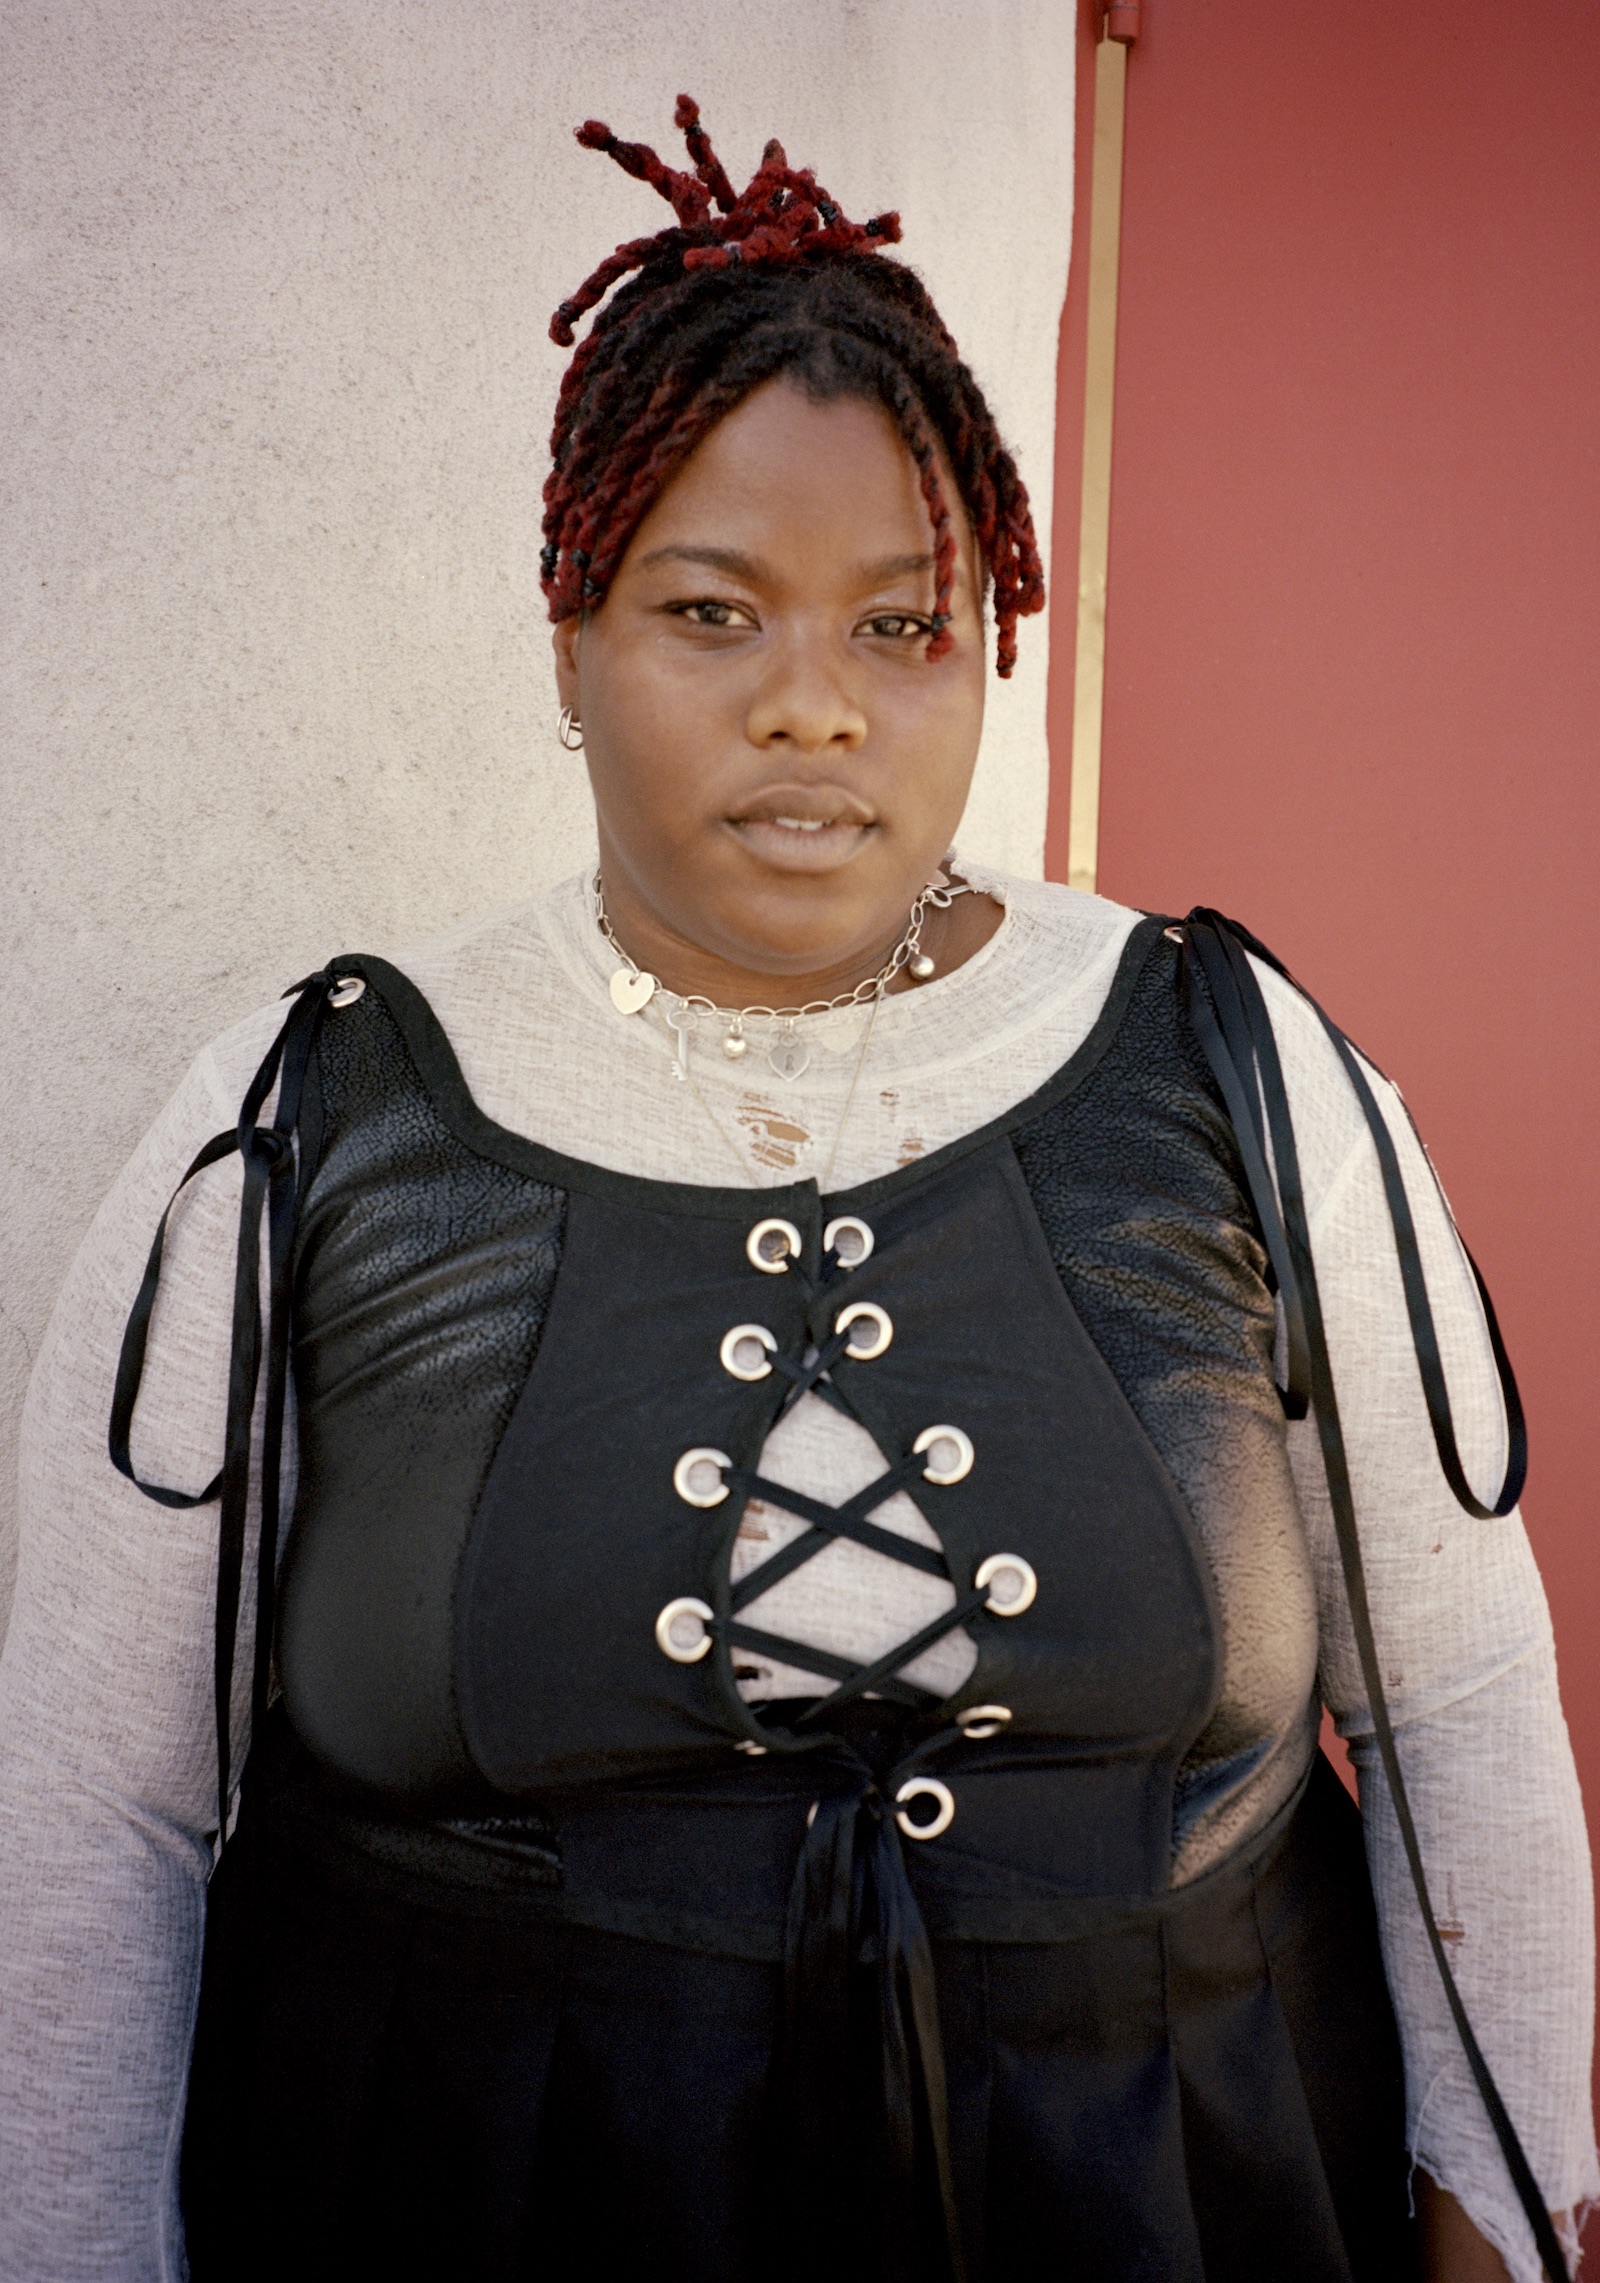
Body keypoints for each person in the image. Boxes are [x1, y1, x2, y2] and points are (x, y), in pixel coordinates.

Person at [0, 94, 1593, 2283]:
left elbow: (1462, 1697)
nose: (812, 712)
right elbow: (93, 1817)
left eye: (898, 629)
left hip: (1177, 2199)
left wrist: (1496, 2213)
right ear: (569, 640)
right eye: (709, 611)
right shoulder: (301, 1120)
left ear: (986, 652)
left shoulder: (1228, 1061)